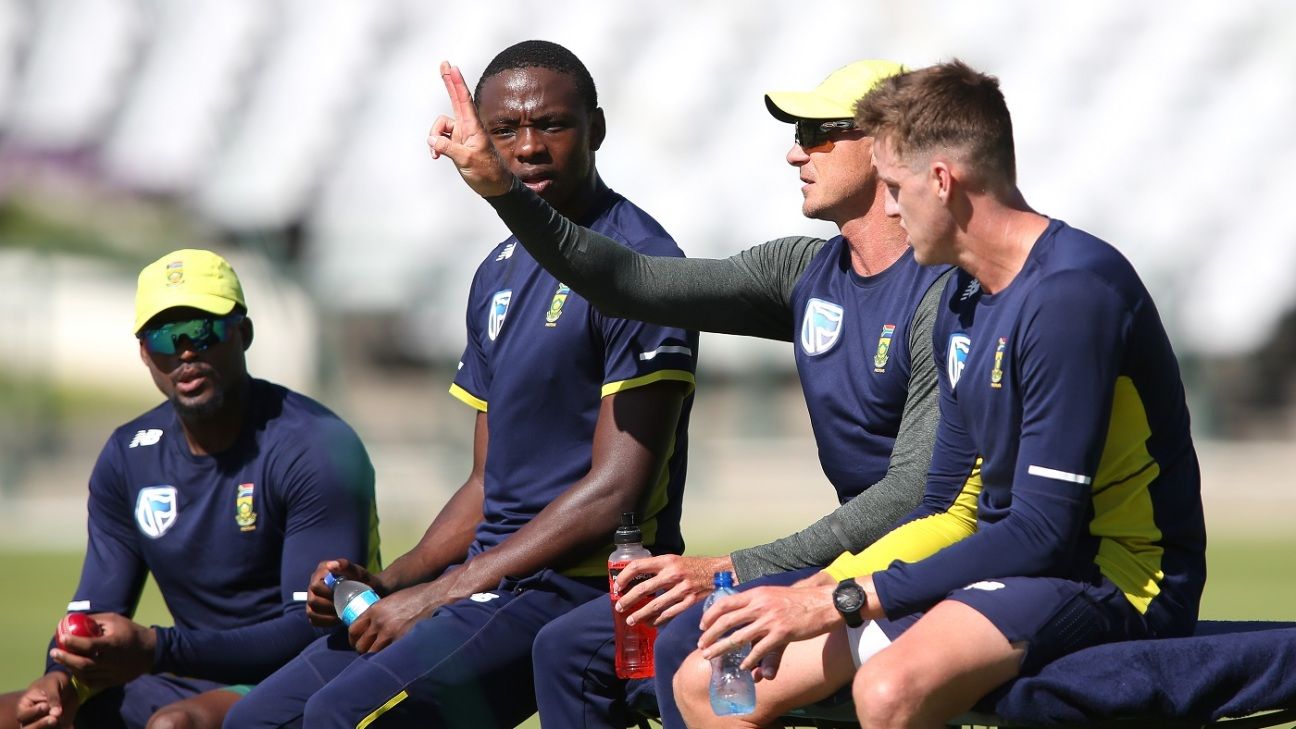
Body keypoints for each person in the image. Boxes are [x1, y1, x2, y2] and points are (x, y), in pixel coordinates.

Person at [674, 60, 1207, 729]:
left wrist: (842, 599)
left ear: (942, 181)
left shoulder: (1071, 295)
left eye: (896, 188)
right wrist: (818, 584)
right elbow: (948, 508)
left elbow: (1042, 532)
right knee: (707, 683)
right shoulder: (959, 297)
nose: (891, 209)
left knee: (888, 689)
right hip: (1013, 568)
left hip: (1114, 579)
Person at [430, 58, 960, 728]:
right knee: (571, 648)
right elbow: (631, 281)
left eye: (817, 133)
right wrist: (503, 191)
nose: (795, 152)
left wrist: (735, 566)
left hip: (926, 564)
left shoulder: (948, 291)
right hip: (850, 556)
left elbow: (915, 493)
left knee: (694, 642)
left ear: (888, 150)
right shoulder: (802, 269)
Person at [222, 40, 698, 729]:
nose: (528, 147)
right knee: (258, 720)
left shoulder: (642, 264)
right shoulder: (497, 270)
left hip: (577, 588)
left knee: (337, 716)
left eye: (552, 125)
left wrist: (442, 592)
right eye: (505, 129)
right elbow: (485, 483)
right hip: (490, 580)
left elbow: (615, 494)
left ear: (595, 128)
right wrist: (392, 579)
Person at [2, 249, 380, 729]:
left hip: (309, 672)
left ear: (243, 333)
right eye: (164, 336)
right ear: (144, 353)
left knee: (173, 725)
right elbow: (96, 607)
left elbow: (311, 630)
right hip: (189, 671)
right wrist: (60, 677)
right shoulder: (128, 456)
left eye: (202, 330)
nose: (184, 351)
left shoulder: (315, 446)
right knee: (16, 714)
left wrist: (159, 648)